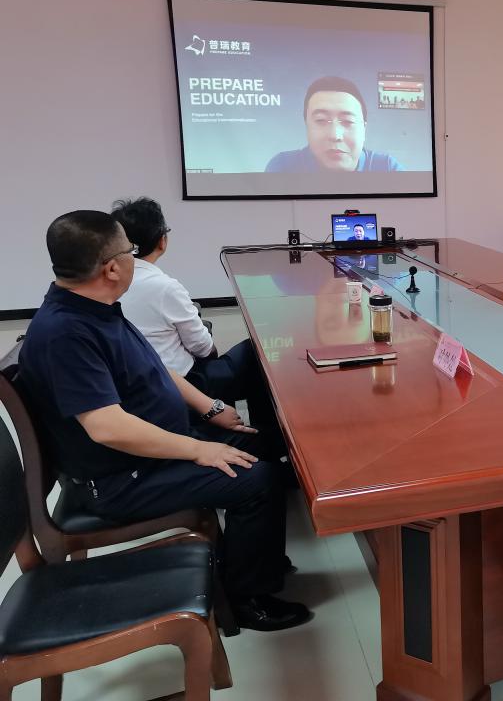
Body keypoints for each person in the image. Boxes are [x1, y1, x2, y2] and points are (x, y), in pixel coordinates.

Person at [17, 210, 311, 631]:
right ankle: (247, 599)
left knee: (263, 443)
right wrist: (199, 449)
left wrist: (211, 409)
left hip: (158, 446)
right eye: (130, 251)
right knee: (258, 481)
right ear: (112, 268)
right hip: (121, 479)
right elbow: (107, 427)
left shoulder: (95, 307)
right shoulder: (66, 333)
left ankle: (258, 560)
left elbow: (156, 369)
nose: (134, 258)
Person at [110, 198, 283, 449]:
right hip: (180, 386)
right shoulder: (164, 287)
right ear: (162, 241)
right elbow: (203, 348)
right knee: (255, 351)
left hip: (133, 390)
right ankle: (267, 436)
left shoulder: (105, 285)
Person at [265, 76, 403, 173]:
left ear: (364, 129)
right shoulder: (283, 167)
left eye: (348, 121)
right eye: (321, 120)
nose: (335, 135)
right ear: (307, 126)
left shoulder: (387, 168)